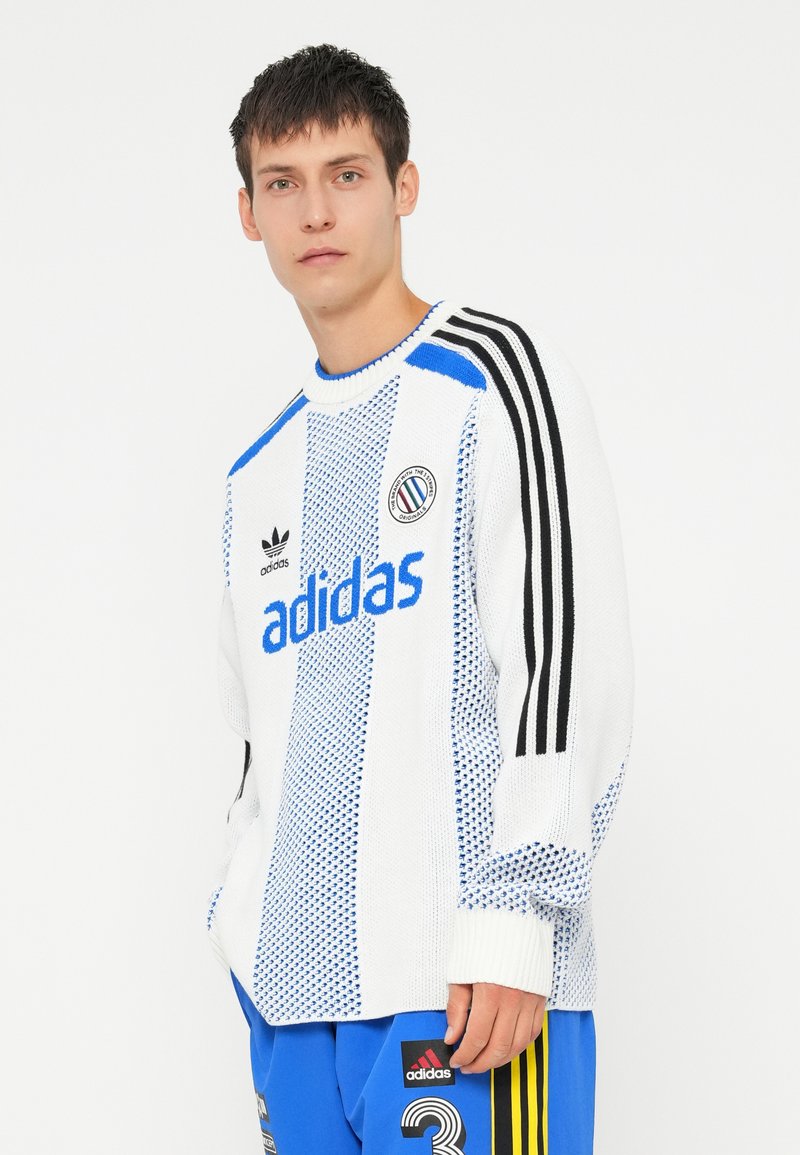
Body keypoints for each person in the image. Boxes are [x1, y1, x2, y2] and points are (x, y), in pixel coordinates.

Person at [206, 43, 634, 1155]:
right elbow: (257, 747)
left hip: (462, 988)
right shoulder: (258, 474)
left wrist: (518, 916)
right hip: (293, 1011)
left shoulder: (494, 378)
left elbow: (562, 664)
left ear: (403, 187)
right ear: (249, 213)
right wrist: (239, 930)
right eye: (283, 182)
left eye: (346, 174)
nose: (315, 211)